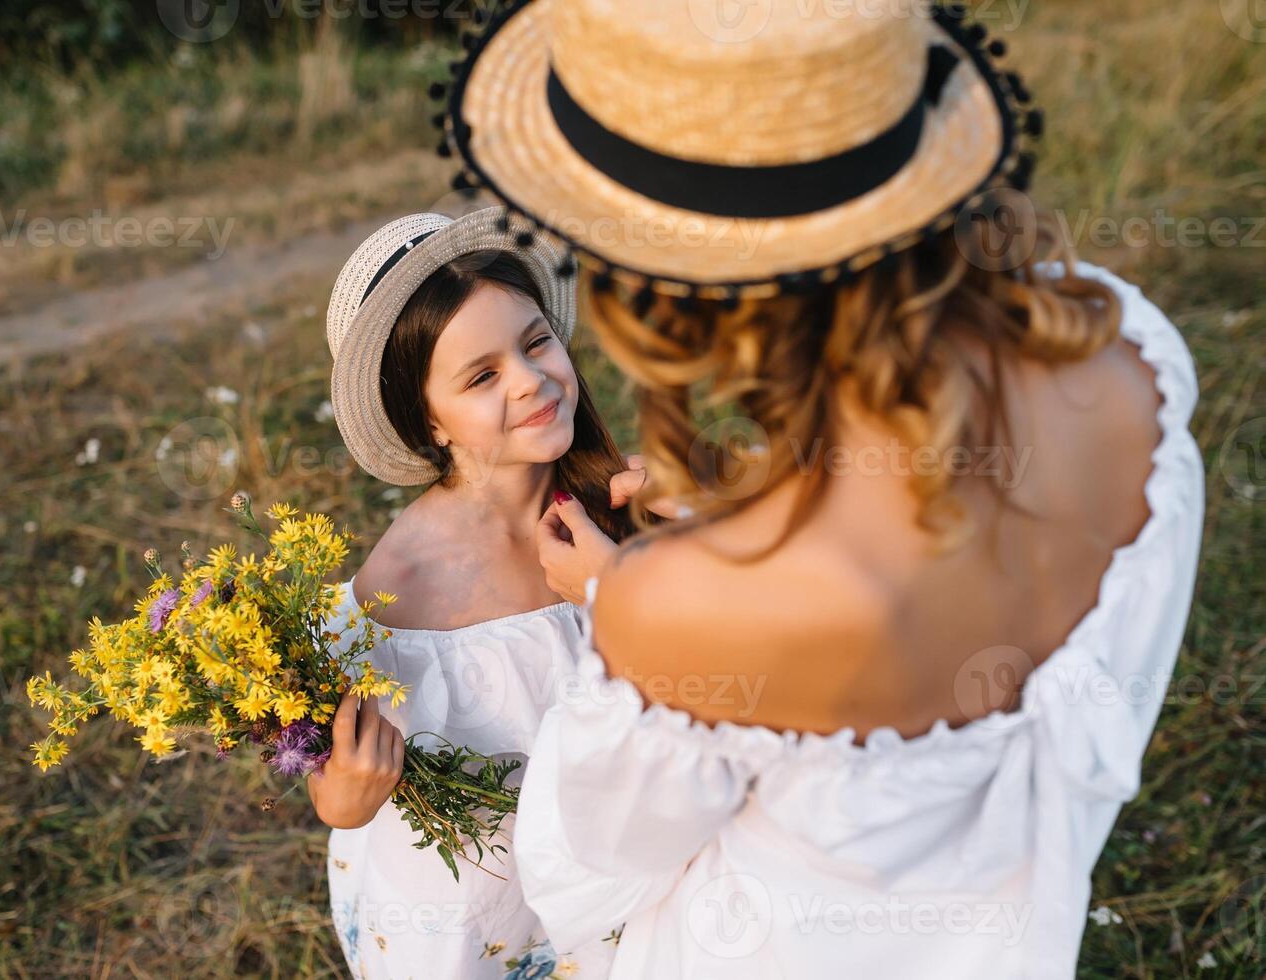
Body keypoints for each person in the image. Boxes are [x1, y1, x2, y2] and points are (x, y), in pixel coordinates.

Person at [436, 1, 1207, 977]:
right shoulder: (1124, 352)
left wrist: (621, 596)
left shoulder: (691, 610)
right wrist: (766, 490)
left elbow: (590, 870)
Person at [312, 207, 672, 980]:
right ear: (429, 422)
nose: (532, 379)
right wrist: (343, 797)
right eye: (482, 376)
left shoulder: (634, 503)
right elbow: (339, 790)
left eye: (535, 341)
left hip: (617, 883)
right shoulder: (396, 598)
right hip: (476, 916)